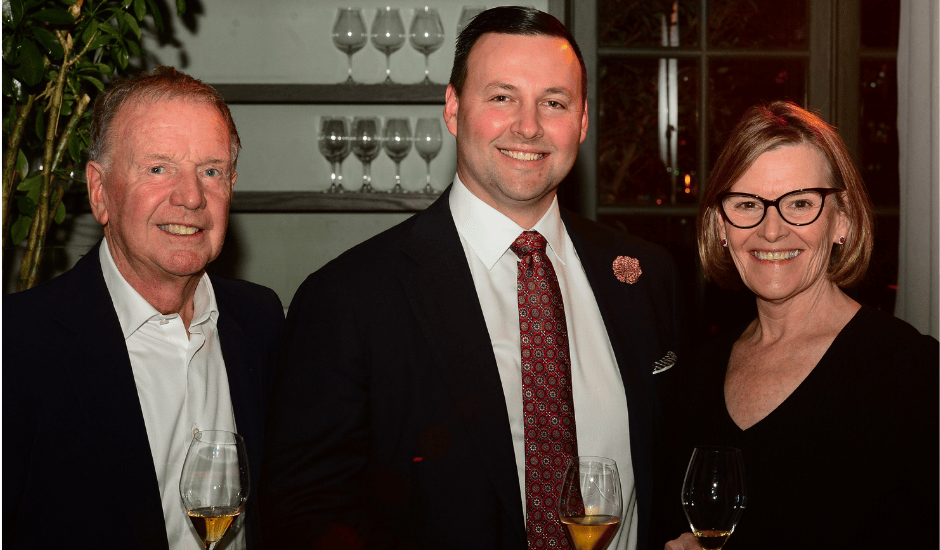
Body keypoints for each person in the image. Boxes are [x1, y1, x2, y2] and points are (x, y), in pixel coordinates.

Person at [259, 7, 685, 550]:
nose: (528, 126)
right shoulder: (349, 297)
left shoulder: (645, 276)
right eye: (502, 97)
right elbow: (305, 514)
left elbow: (670, 467)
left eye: (553, 103)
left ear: (581, 122)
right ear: (455, 108)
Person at [2, 67, 284, 550]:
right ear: (99, 191)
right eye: (159, 168)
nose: (192, 196)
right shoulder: (17, 347)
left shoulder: (260, 320)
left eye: (211, 171)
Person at [661, 101, 940, 550]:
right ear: (721, 224)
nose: (772, 231)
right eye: (748, 204)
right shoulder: (697, 374)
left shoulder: (912, 375)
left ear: (841, 222)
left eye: (800, 204)